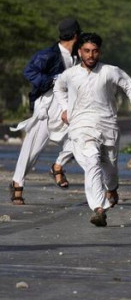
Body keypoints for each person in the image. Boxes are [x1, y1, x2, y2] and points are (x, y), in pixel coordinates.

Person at [54, 33, 131, 227]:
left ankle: (112, 188)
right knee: (92, 161)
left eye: (94, 51)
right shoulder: (70, 74)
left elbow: (130, 87)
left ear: (99, 52)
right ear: (80, 52)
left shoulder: (110, 71)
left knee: (109, 169)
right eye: (86, 51)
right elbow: (58, 88)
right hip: (81, 126)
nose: (90, 55)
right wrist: (64, 108)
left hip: (107, 126)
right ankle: (99, 208)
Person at [9, 18, 80, 205]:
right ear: (76, 35)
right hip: (47, 107)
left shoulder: (78, 57)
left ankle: (57, 167)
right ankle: (18, 184)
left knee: (79, 139)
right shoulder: (49, 54)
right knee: (31, 150)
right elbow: (29, 72)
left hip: (67, 108)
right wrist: (52, 80)